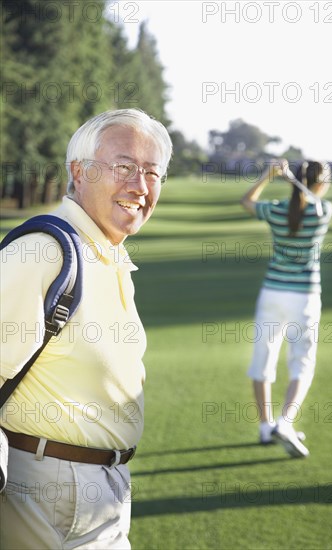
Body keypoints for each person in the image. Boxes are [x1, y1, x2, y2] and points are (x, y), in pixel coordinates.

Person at [0, 108, 173, 548]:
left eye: (152, 172)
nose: (139, 185)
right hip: (44, 489)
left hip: (103, 488)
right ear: (78, 171)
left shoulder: (108, 253)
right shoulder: (42, 252)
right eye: (123, 166)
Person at [240, 159, 332, 458]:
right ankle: (285, 422)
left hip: (272, 293)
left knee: (263, 358)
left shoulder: (278, 209)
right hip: (304, 296)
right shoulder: (323, 211)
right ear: (320, 184)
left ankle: (266, 427)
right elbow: (314, 201)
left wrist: (268, 176)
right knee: (302, 362)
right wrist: (296, 180)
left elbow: (247, 201)